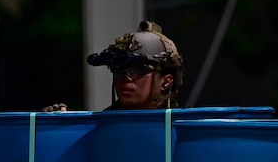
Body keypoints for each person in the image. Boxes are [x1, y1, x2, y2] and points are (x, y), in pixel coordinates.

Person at [42, 21, 184, 111]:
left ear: (166, 82)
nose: (126, 77)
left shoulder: (181, 132)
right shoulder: (100, 129)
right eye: (118, 68)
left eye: (139, 69)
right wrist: (61, 128)